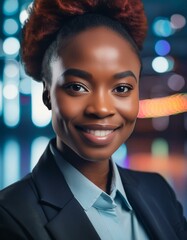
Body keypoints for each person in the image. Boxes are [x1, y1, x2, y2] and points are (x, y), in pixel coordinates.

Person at [0, 0, 187, 239]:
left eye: (121, 88)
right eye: (77, 87)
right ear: (47, 93)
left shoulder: (159, 191)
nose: (100, 109)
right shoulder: (10, 216)